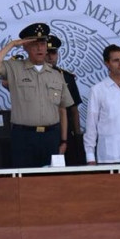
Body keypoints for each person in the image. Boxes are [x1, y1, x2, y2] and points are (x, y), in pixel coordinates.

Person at [0, 23, 74, 168]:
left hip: (51, 136)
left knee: (51, 182)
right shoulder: (14, 68)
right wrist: (12, 44)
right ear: (25, 47)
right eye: (34, 44)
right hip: (24, 136)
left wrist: (63, 141)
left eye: (42, 43)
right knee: (24, 183)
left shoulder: (56, 75)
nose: (40, 48)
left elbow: (63, 109)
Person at [46, 35, 85, 165]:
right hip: (44, 130)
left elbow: (74, 110)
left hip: (65, 130)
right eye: (47, 53)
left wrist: (78, 134)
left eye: (53, 53)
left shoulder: (67, 77)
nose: (50, 57)